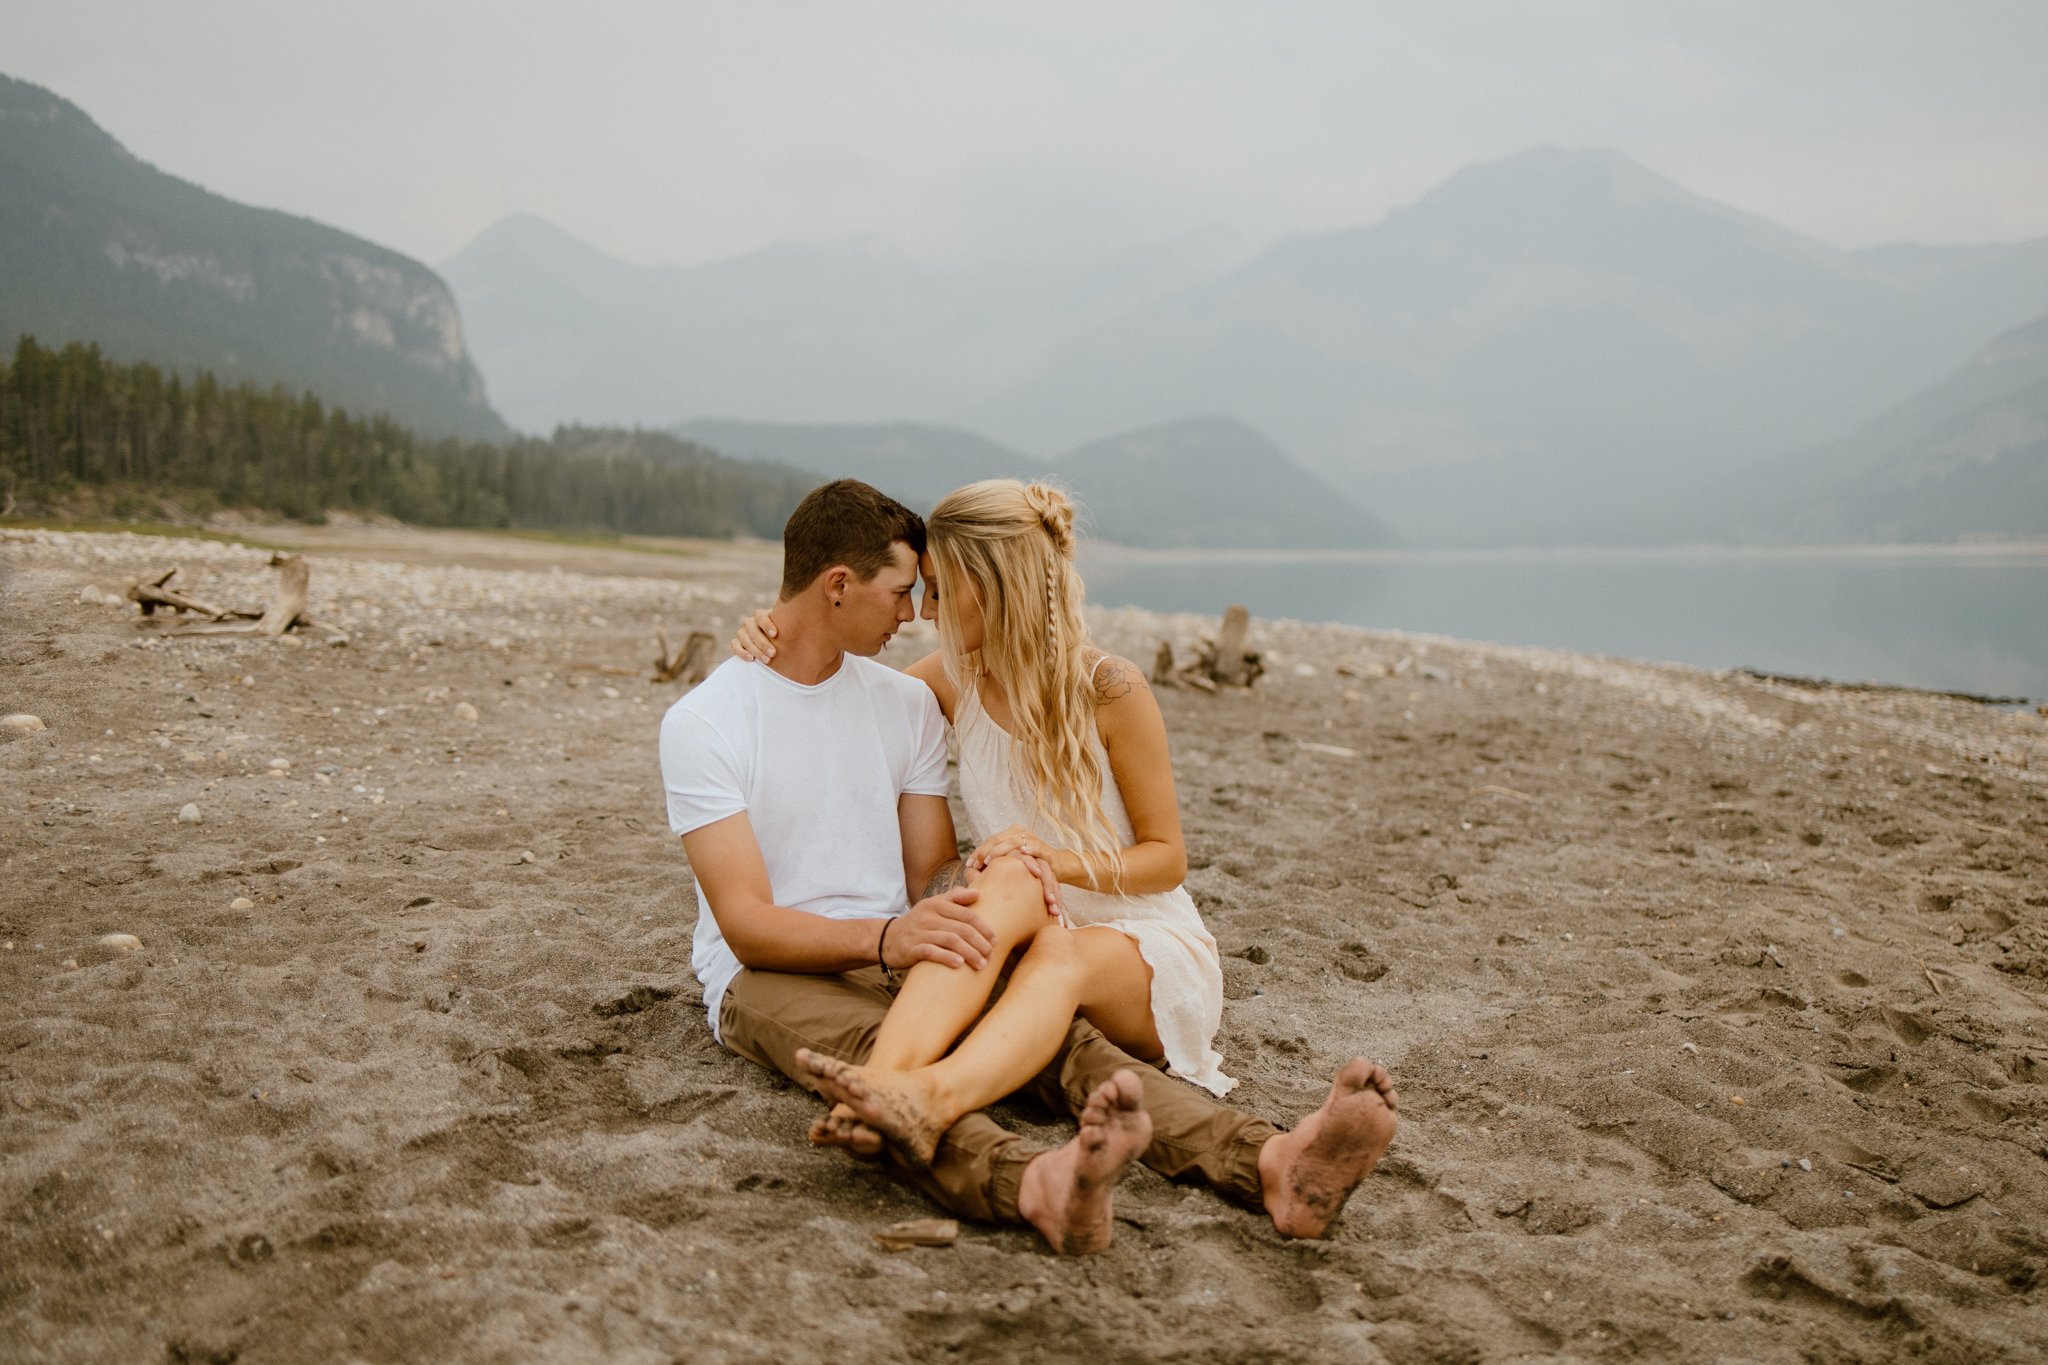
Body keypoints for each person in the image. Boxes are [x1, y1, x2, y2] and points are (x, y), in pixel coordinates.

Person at [662, 478, 1395, 1255]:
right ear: (838, 586)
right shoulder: (707, 721)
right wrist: (897, 937)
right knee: (880, 1057)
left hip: (929, 942)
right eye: (908, 593)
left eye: (933, 593)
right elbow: (748, 926)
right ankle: (1031, 1181)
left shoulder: (905, 702)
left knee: (1065, 1044)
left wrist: (974, 895)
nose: (918, 615)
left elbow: (928, 873)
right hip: (775, 969)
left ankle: (1271, 1158)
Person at [732, 479, 1234, 1164]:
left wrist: (1047, 859)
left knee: (1039, 918)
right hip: (1021, 926)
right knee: (992, 894)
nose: (925, 611)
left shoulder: (1110, 689)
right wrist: (774, 634)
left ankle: (927, 1097)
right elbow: (842, 699)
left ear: (993, 586)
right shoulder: (950, 678)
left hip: (1141, 945)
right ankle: (882, 1086)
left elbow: (1166, 858)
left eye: (939, 590)